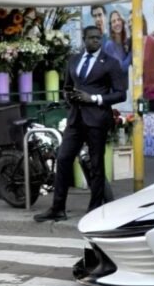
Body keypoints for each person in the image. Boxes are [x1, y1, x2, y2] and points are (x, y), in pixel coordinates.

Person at [34, 26, 126, 222]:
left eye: (98, 38)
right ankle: (58, 209)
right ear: (84, 39)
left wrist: (93, 98)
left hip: (97, 120)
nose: (96, 41)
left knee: (96, 165)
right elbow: (67, 86)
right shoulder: (74, 60)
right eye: (92, 38)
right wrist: (69, 97)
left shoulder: (111, 63)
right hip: (75, 119)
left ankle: (94, 210)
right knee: (63, 158)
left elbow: (120, 93)